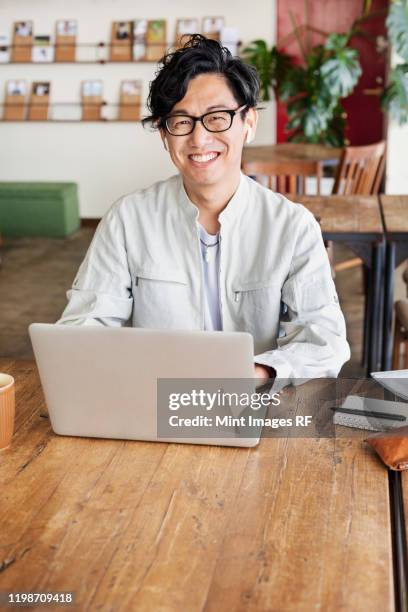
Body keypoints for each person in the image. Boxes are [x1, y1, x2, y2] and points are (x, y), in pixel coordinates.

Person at [56, 34, 350, 383]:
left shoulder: (292, 226)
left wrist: (257, 372)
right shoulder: (127, 220)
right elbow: (82, 327)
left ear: (249, 124)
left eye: (217, 117)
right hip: (154, 404)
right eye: (181, 122)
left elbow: (324, 340)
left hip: (253, 405)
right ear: (165, 136)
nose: (198, 139)